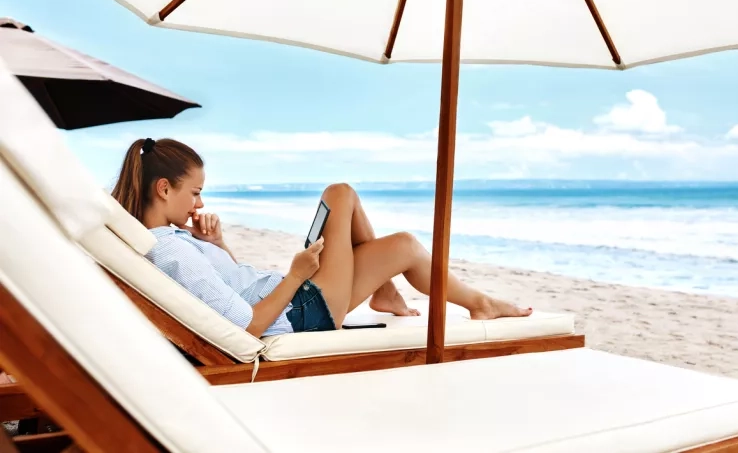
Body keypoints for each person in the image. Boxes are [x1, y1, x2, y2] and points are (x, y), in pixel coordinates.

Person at [111, 137, 532, 337]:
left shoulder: (171, 241)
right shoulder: (171, 251)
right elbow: (247, 326)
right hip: (300, 312)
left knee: (404, 244)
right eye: (195, 193)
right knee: (340, 194)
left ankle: (414, 296)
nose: (199, 205)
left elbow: (230, 286)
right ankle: (478, 302)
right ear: (164, 189)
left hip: (296, 299)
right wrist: (296, 276)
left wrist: (218, 246)